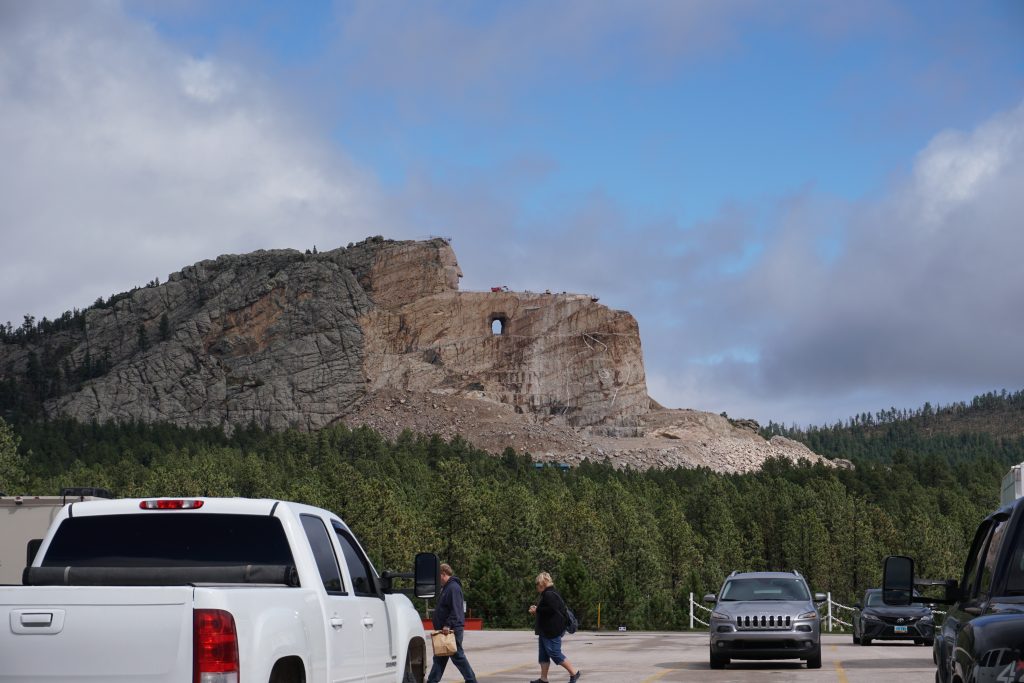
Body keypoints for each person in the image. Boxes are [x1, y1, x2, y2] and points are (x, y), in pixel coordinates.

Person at [427, 563, 477, 683]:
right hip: (445, 630)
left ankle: (471, 680)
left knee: (458, 657)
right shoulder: (447, 588)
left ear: (443, 574)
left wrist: (448, 624)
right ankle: (432, 681)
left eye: (438, 576)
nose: (437, 579)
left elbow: (456, 609)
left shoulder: (453, 588)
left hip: (451, 630)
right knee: (439, 658)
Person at [528, 571, 581, 683]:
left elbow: (551, 610)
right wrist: (538, 609)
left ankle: (574, 672)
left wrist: (537, 610)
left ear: (542, 584)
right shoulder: (549, 593)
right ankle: (543, 678)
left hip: (551, 630)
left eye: (537, 584)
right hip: (545, 630)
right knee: (543, 655)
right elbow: (550, 609)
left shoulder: (549, 594)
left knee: (555, 653)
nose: (536, 587)